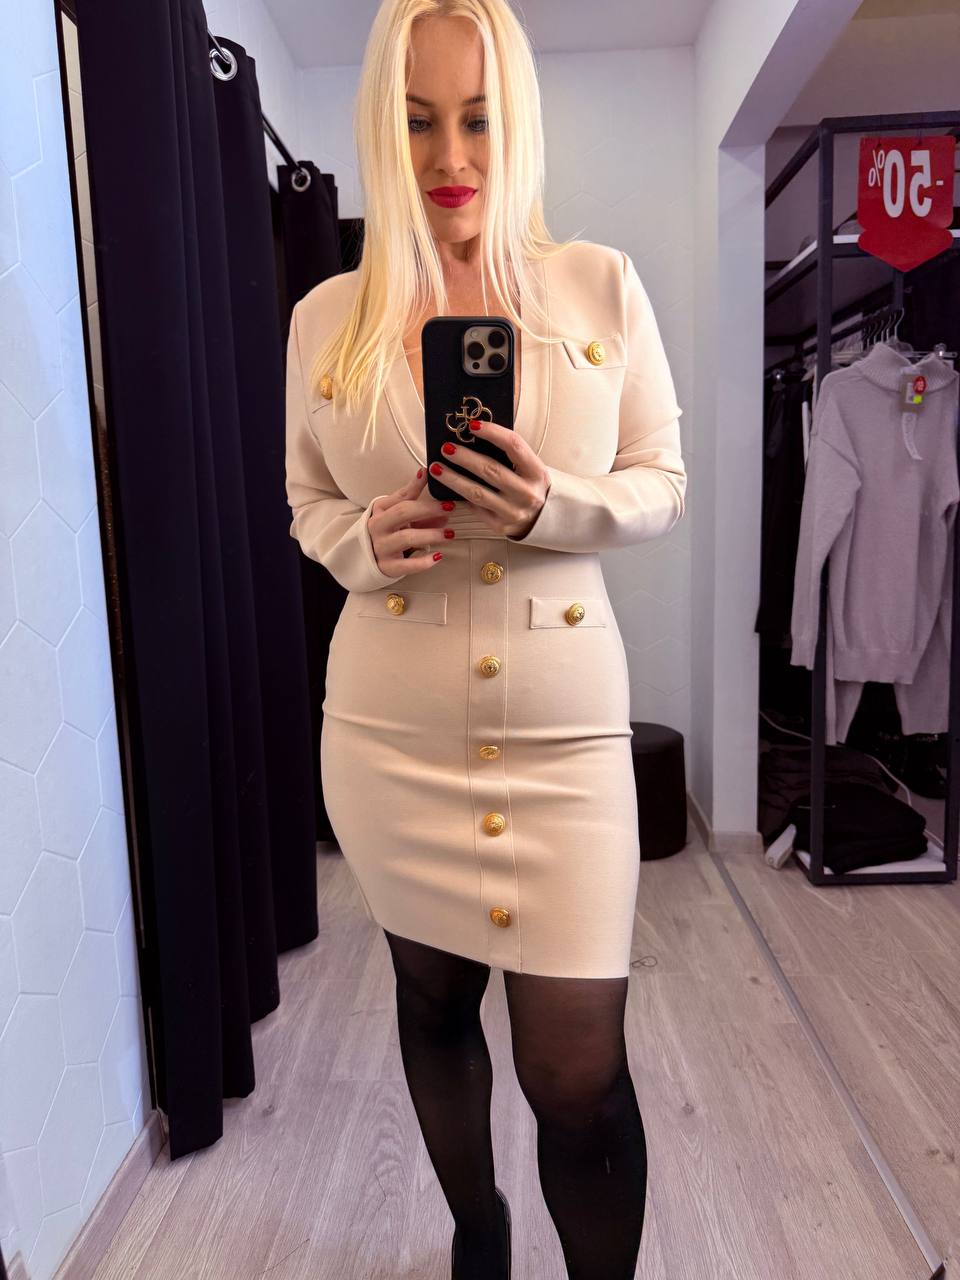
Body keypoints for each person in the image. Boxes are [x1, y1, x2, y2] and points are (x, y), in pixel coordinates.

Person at [284, 2, 687, 1276]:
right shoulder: (325, 316)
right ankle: (478, 1226)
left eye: (477, 118)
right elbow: (306, 500)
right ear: (379, 128)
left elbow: (662, 480)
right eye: (416, 122)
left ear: (518, 122)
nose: (450, 156)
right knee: (433, 998)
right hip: (388, 733)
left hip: (567, 741)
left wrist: (551, 504)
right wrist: (366, 537)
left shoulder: (598, 284)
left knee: (579, 1074)